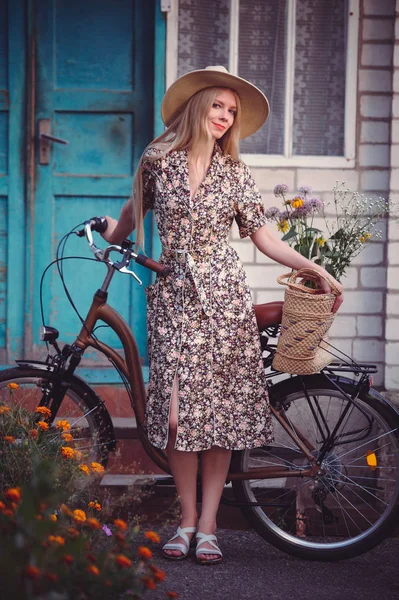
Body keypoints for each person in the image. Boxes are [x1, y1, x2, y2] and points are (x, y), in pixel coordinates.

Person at [101, 66, 344, 565]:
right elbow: (131, 217)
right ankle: (186, 518)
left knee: (217, 418)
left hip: (223, 296)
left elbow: (263, 235)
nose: (225, 117)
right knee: (175, 419)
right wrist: (108, 234)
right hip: (173, 299)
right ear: (198, 106)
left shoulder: (234, 171)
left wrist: (311, 263)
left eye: (231, 112)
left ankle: (206, 524)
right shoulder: (157, 160)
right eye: (218, 106)